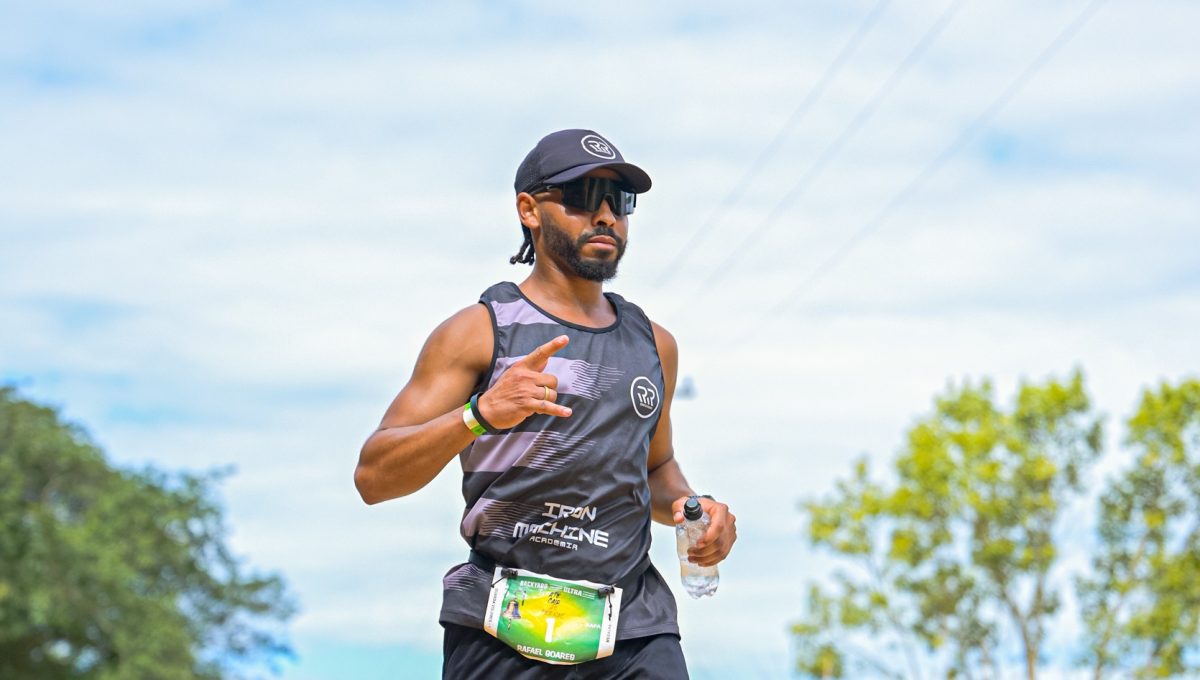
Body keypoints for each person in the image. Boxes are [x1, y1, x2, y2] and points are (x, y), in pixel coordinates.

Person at [354, 129, 737, 678]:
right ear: (529, 210)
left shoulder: (656, 345)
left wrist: (697, 511)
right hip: (502, 626)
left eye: (620, 201)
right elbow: (374, 477)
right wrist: (478, 414)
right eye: (584, 197)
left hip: (634, 627)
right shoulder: (478, 332)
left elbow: (654, 468)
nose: (606, 215)